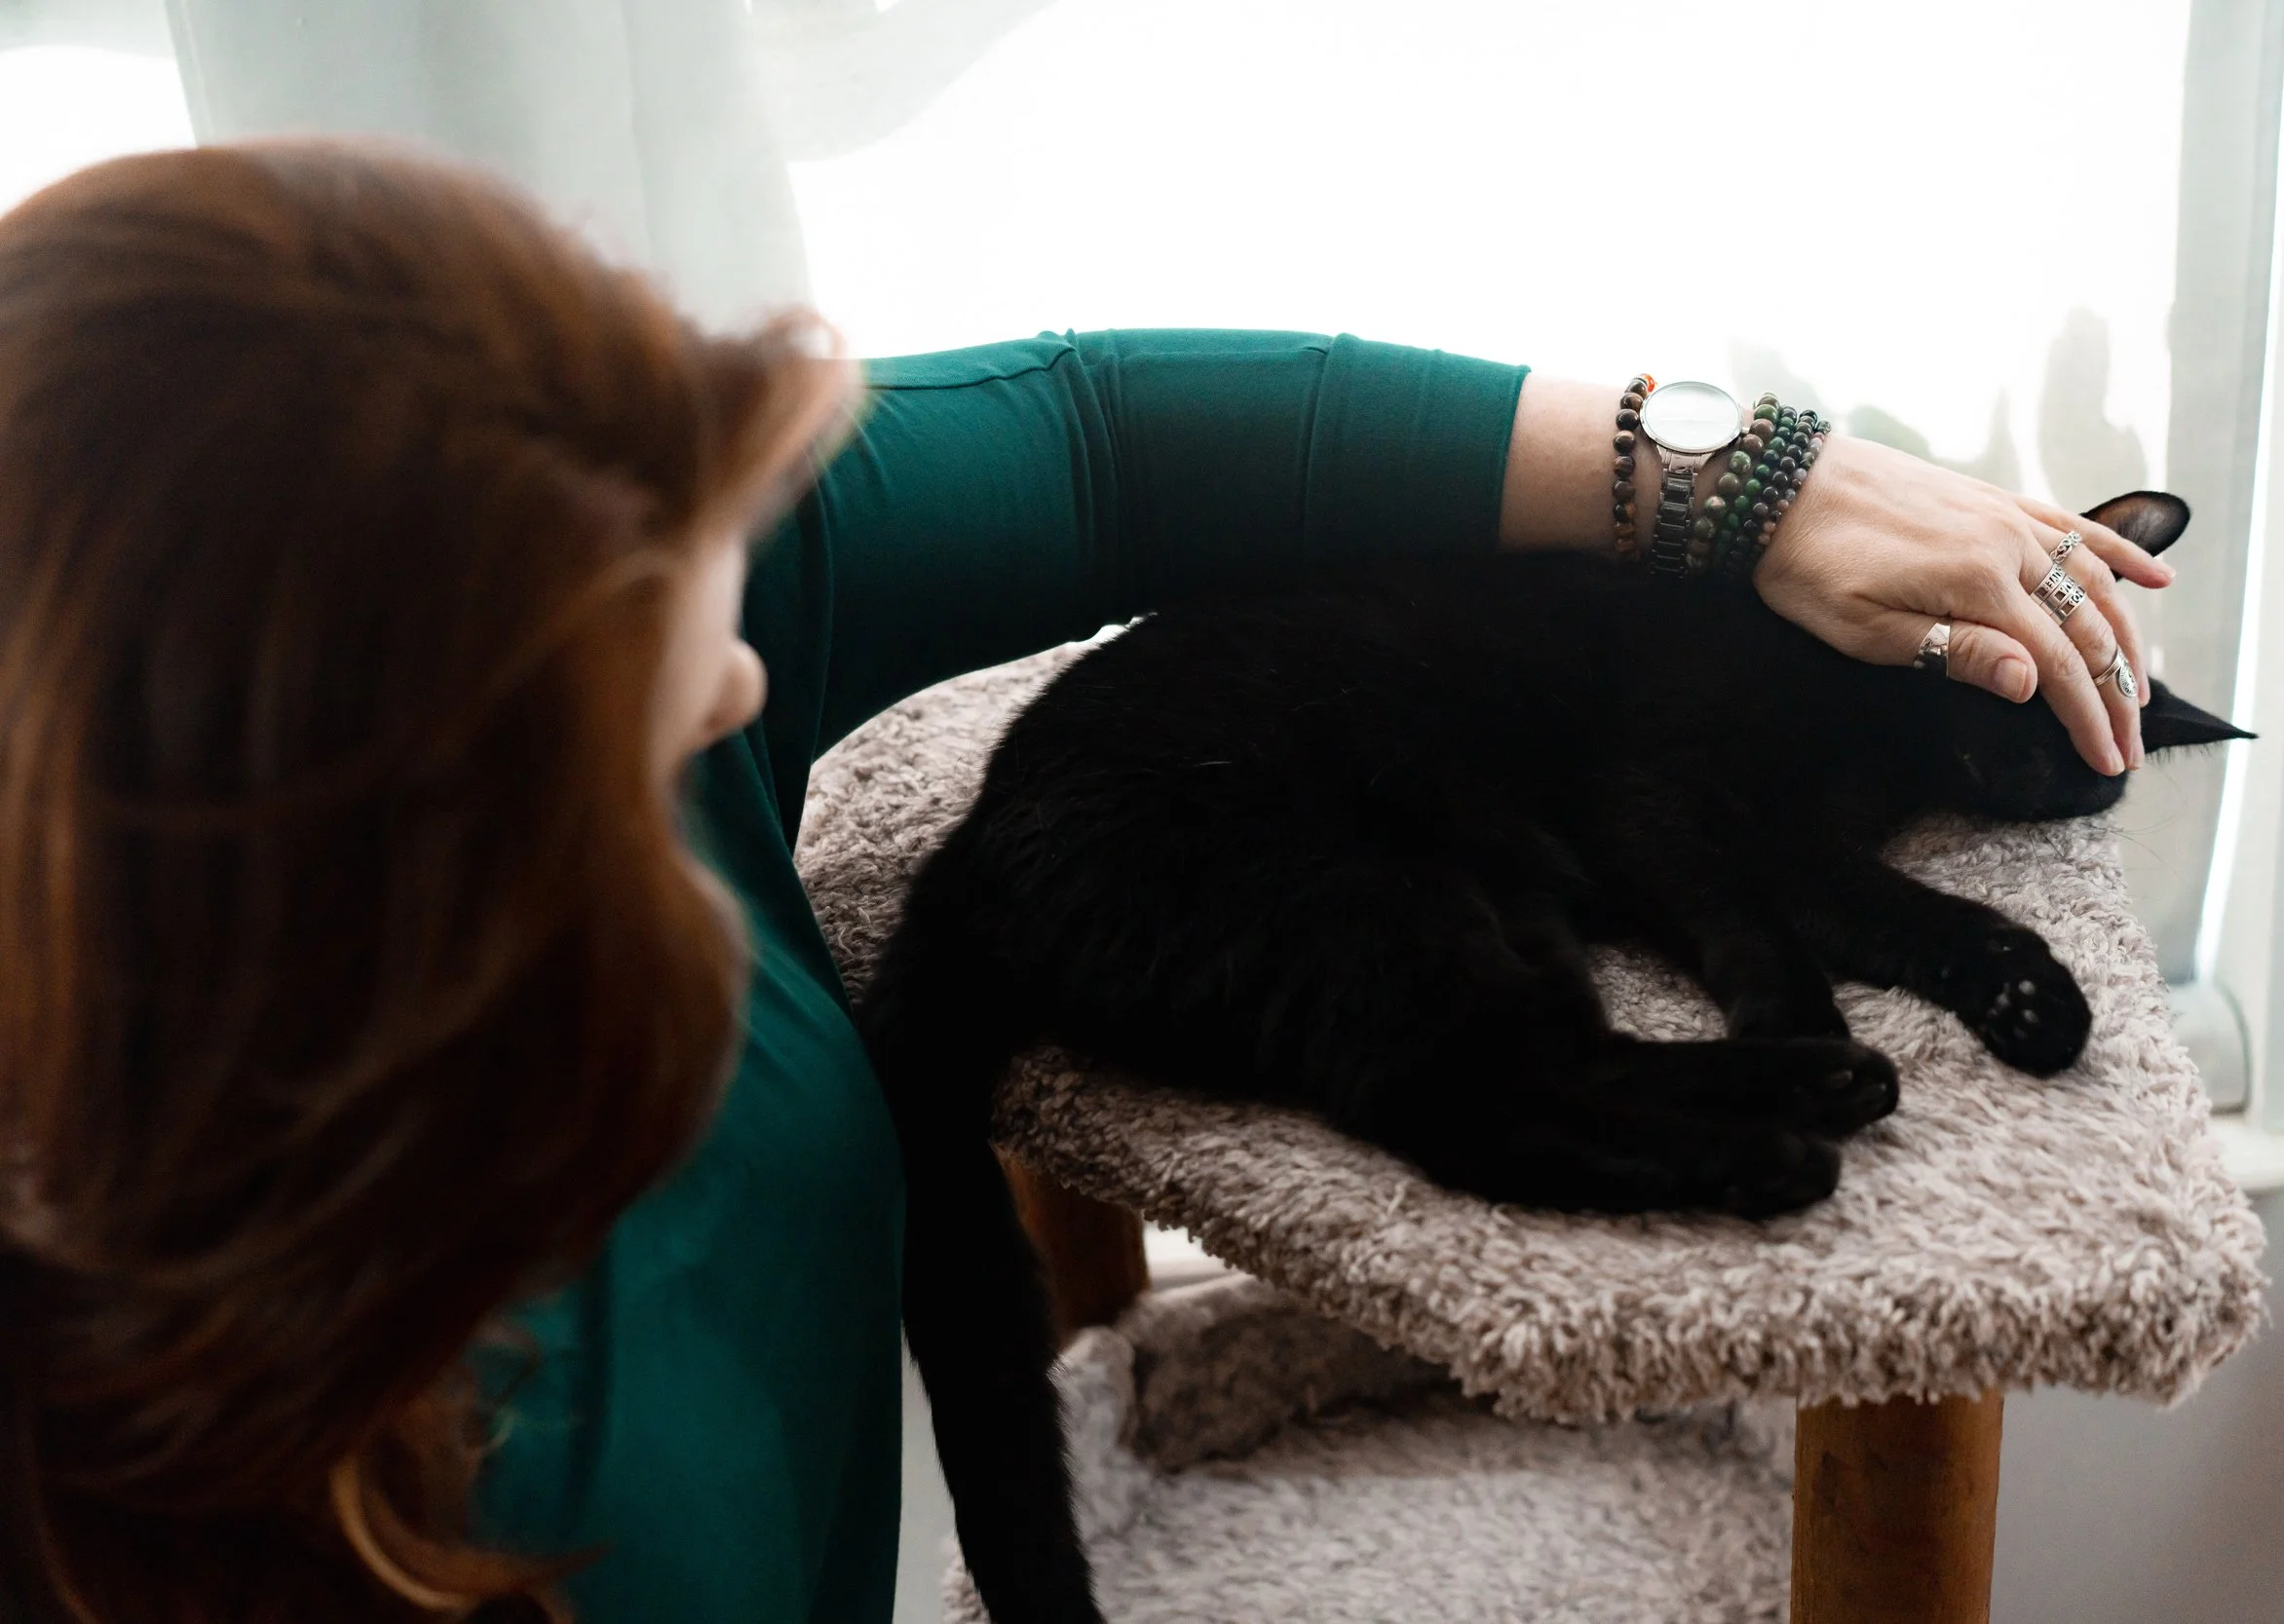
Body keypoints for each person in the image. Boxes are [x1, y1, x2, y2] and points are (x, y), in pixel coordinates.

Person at [0, 141, 2172, 1623]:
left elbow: (1105, 437)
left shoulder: (576, 571)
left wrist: (1750, 485)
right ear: (365, 844)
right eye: (666, 666)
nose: (757, 657)